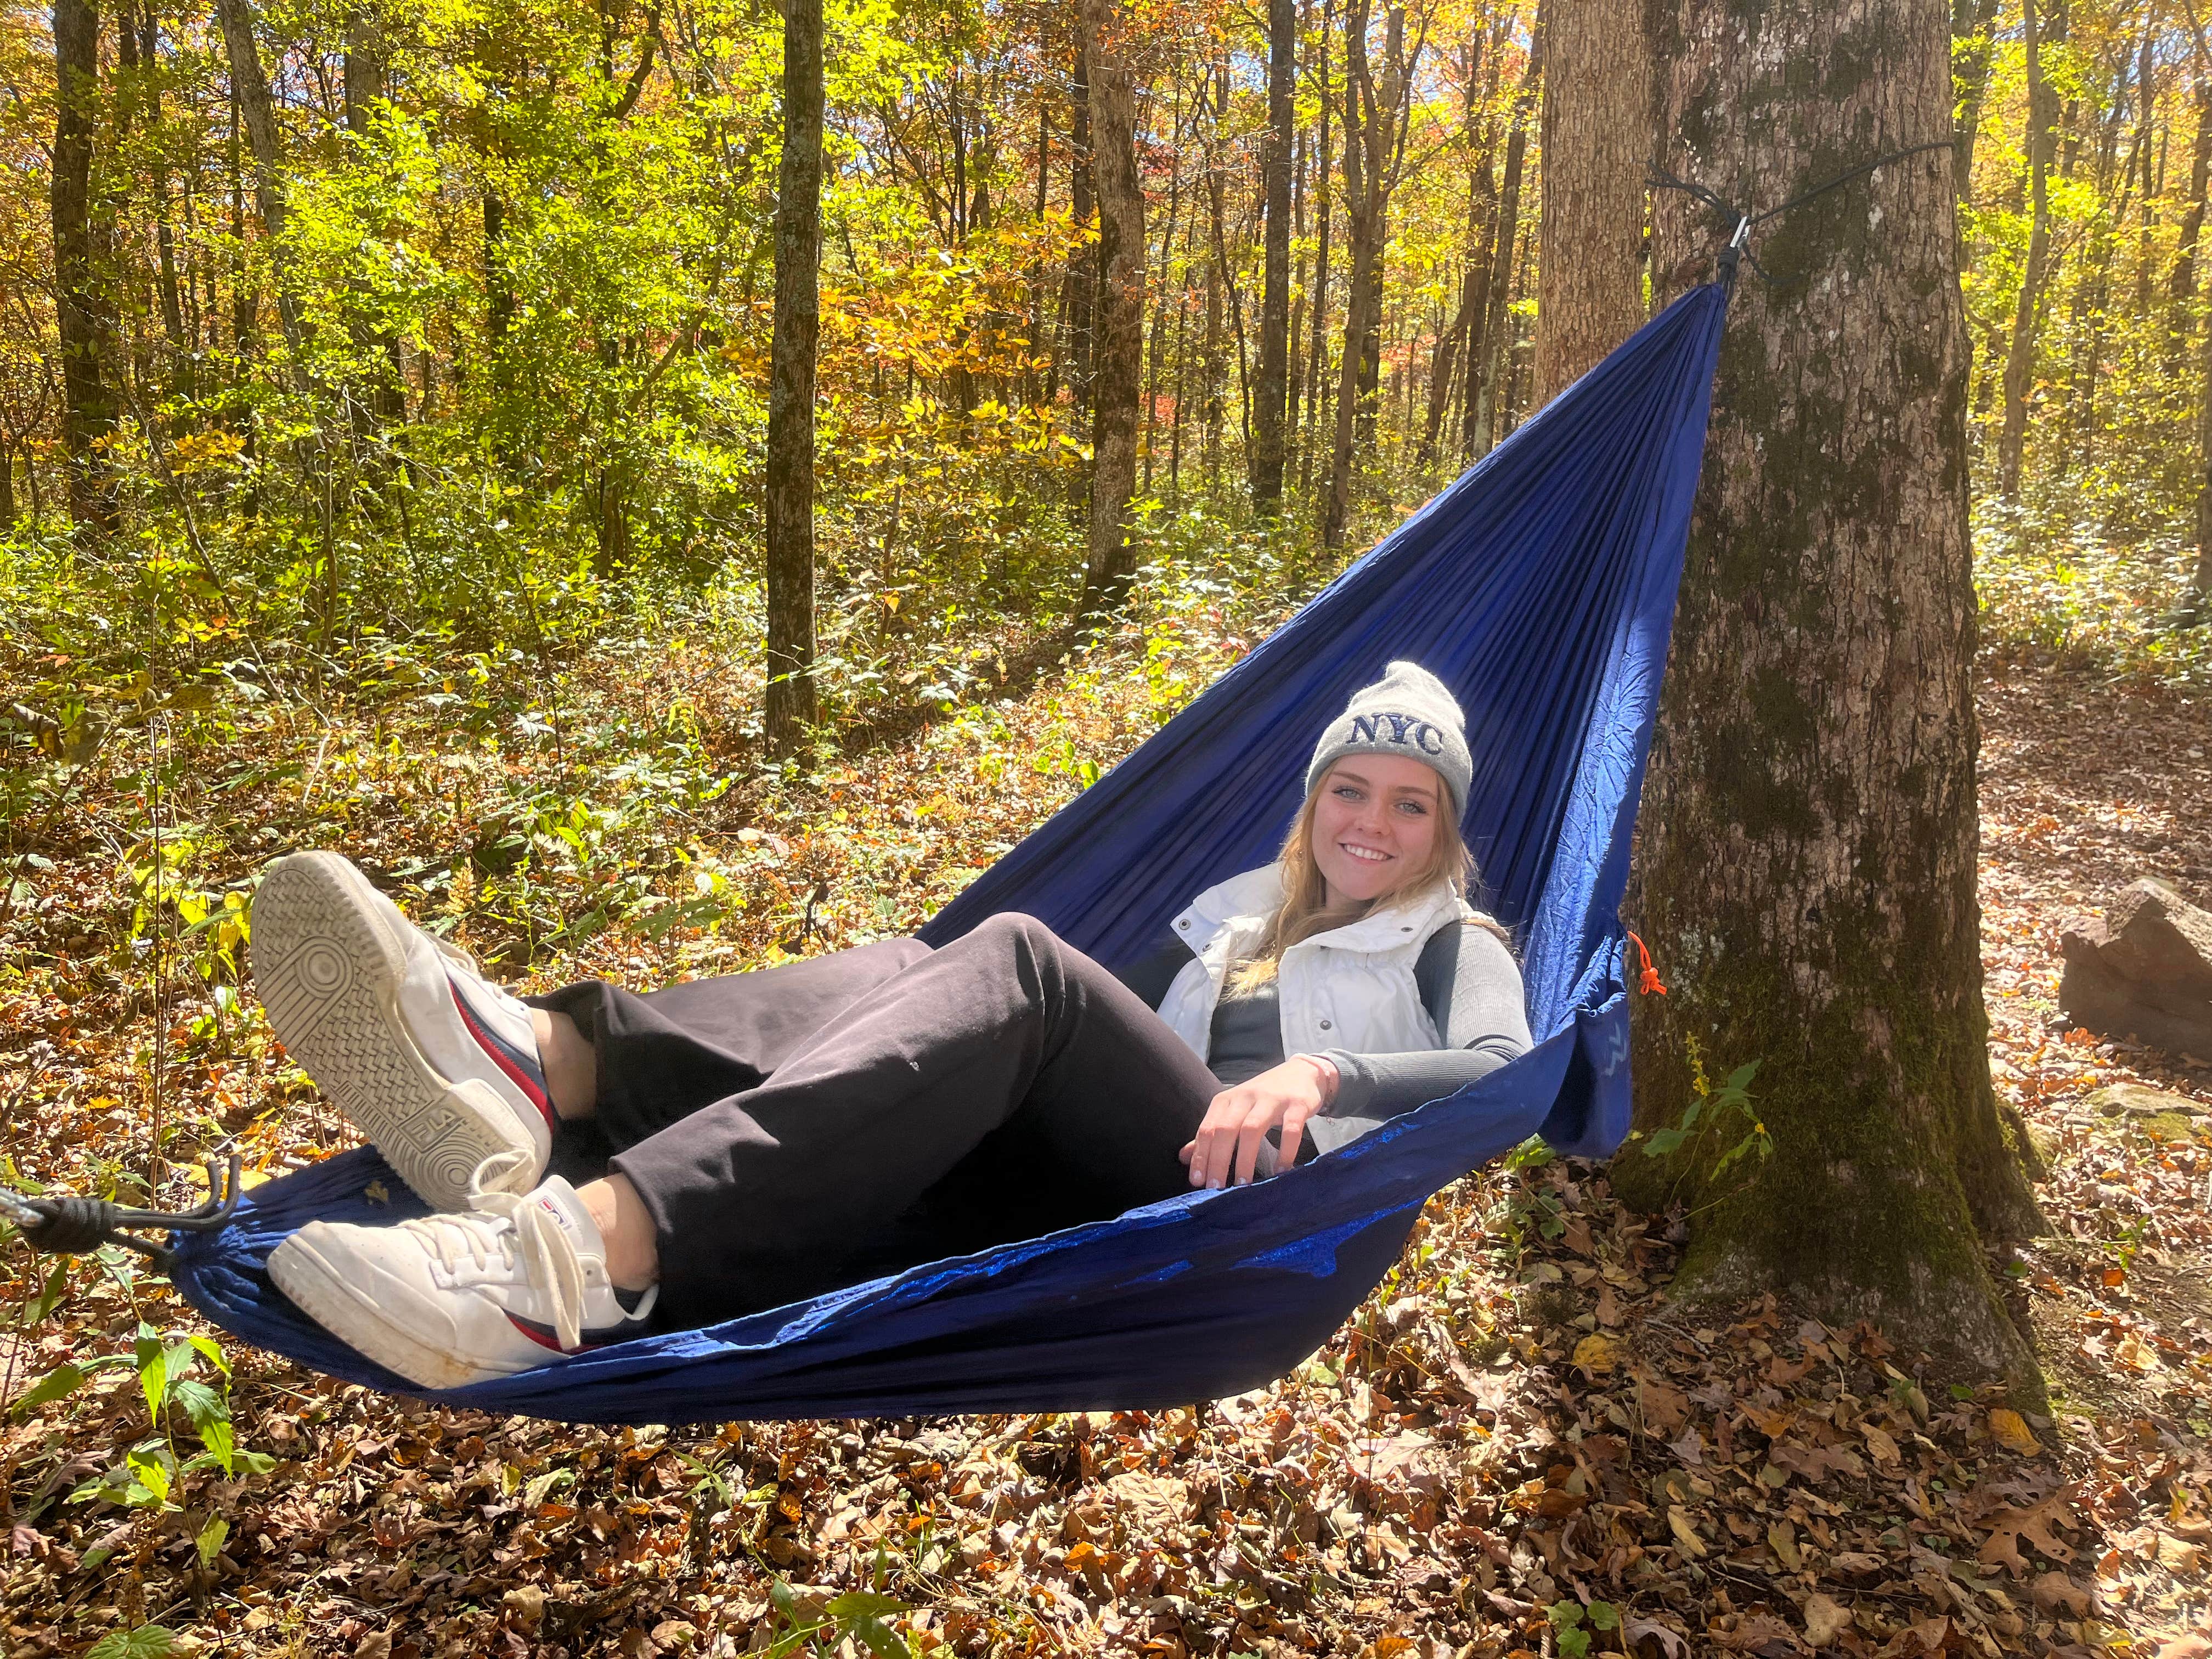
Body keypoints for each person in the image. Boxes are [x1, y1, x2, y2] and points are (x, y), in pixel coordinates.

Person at [255, 663, 1532, 1390]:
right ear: (1310, 807)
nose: (1373, 822)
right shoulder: (1231, 918)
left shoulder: (1451, 943)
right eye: (1348, 791)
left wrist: (1324, 1069)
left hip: (1261, 1228)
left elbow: (1507, 1076)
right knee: (934, 968)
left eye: (1413, 805)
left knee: (1020, 962)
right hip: (1106, 1185)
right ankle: (551, 1070)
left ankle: (567, 1267)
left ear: (1448, 830)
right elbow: (1092, 1022)